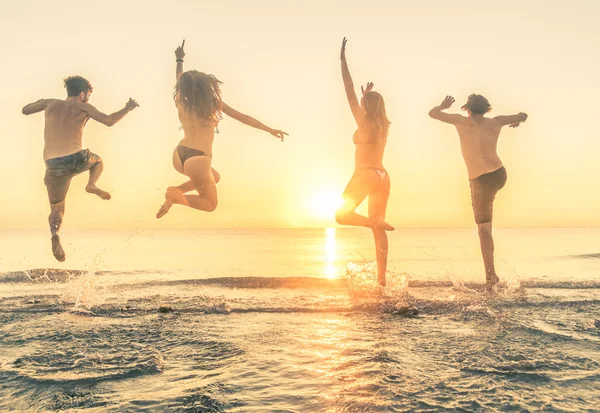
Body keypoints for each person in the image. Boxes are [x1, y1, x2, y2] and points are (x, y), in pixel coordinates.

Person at [156, 40, 288, 218]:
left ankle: (176, 193)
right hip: (198, 160)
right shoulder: (211, 102)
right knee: (210, 204)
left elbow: (179, 77)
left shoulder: (180, 99)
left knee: (215, 177)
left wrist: (179, 60)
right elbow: (243, 118)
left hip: (179, 155)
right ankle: (176, 196)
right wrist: (269, 129)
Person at [22, 76, 138, 261]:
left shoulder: (50, 103)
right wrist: (127, 108)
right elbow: (109, 121)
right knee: (98, 161)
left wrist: (41, 102)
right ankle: (91, 184)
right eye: (89, 95)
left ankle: (54, 235)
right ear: (82, 94)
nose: (88, 98)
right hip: (77, 158)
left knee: (57, 208)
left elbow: (25, 110)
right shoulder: (84, 107)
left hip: (52, 166)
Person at [429, 94, 528, 291]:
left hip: (480, 181)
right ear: (487, 108)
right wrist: (516, 121)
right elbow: (523, 115)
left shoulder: (460, 121)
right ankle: (491, 274)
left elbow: (433, 113)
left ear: (467, 108)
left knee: (484, 230)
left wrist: (443, 105)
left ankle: (491, 275)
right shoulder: (496, 122)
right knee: (486, 226)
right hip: (499, 175)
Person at [334, 38, 395, 287]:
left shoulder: (363, 123)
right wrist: (366, 97)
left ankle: (374, 222)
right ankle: (381, 280)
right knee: (378, 230)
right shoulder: (383, 124)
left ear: (366, 107)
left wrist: (343, 61)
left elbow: (348, 88)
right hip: (383, 176)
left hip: (365, 174)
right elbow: (361, 102)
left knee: (341, 215)